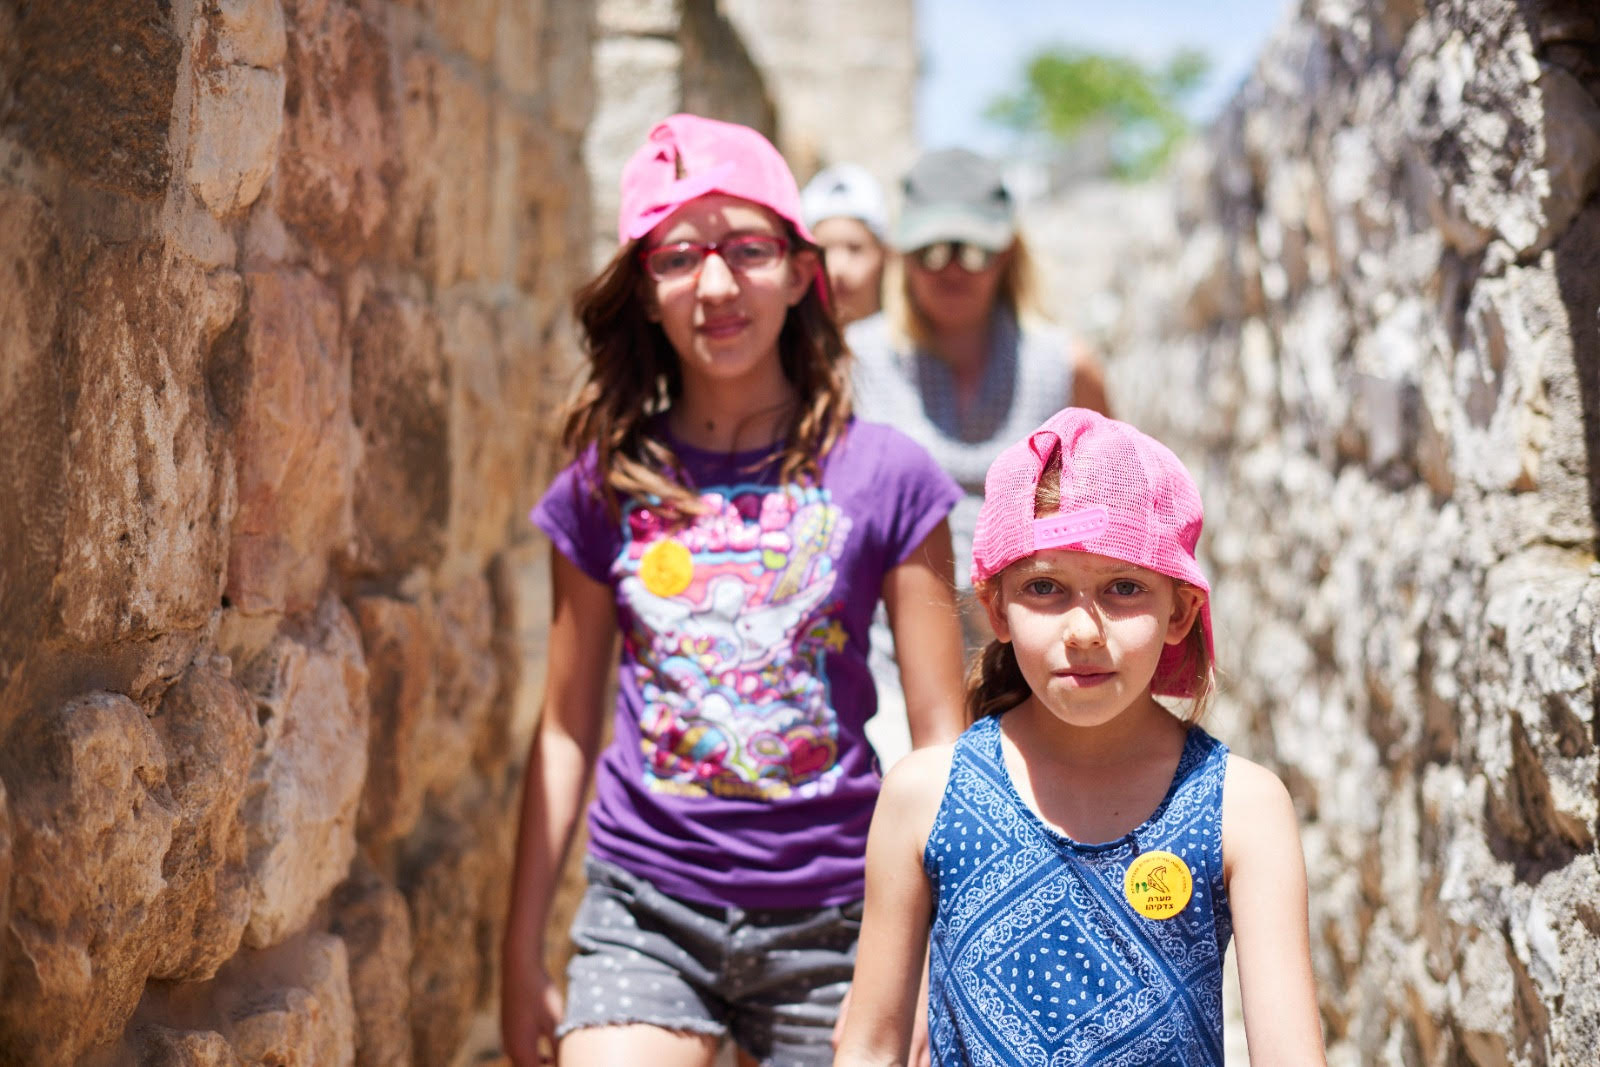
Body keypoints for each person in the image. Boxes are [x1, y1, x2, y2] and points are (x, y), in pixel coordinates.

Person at [500, 113, 968, 1067]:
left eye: (747, 248)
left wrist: (936, 957)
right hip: (646, 909)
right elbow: (563, 727)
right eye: (678, 256)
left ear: (802, 273)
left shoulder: (891, 479)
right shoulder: (603, 485)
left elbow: (945, 747)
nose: (715, 284)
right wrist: (517, 950)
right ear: (645, 291)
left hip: (847, 913)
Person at [834, 408, 1326, 1066]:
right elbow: (868, 1048)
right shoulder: (923, 795)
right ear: (995, 607)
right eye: (1045, 587)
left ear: (1179, 611)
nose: (1085, 631)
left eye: (1125, 587)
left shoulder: (1244, 808)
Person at [848, 147, 1111, 768]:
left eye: (974, 250)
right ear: (901, 258)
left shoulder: (1064, 367)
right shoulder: (854, 366)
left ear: (1008, 254)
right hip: (885, 659)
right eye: (930, 251)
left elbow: (1116, 520)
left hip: (1033, 664)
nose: (952, 270)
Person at [800, 163, 890, 328]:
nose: (837, 267)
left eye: (854, 249)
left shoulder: (908, 349)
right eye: (823, 251)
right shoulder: (786, 348)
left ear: (884, 255)